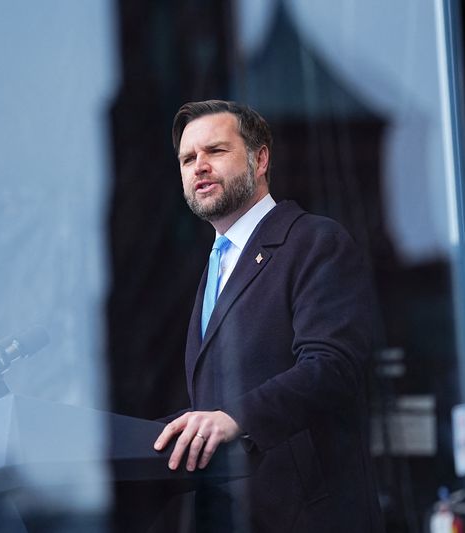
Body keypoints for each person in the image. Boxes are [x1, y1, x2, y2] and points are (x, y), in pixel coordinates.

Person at [152, 100, 384, 532]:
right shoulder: (215, 267)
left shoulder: (314, 241)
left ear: (260, 159)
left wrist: (235, 418)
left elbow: (332, 367)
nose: (199, 166)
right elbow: (215, 403)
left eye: (215, 151)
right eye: (188, 158)